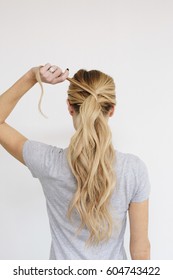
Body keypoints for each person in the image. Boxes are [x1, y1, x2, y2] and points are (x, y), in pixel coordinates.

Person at [0, 63, 150, 260]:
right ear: (111, 110)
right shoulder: (133, 169)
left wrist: (31, 76)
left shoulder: (48, 162)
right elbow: (140, 249)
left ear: (70, 108)